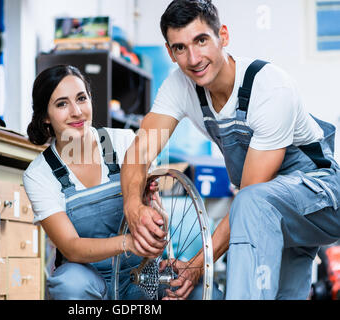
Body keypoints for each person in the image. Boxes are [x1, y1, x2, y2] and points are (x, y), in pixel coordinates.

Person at [121, 0, 340, 300]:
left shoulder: (270, 88)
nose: (194, 58)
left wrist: (198, 266)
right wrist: (133, 207)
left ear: (223, 36)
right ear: (170, 53)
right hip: (274, 208)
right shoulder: (180, 87)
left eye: (201, 40)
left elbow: (251, 195)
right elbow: (138, 152)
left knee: (250, 204)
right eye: (181, 48)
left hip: (322, 197)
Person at [23, 64, 153, 300]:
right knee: (68, 284)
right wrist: (127, 242)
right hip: (91, 282)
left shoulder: (125, 142)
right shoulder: (39, 173)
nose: (76, 111)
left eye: (81, 98)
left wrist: (154, 213)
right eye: (62, 104)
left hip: (142, 274)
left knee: (204, 292)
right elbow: (71, 247)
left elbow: (156, 215)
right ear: (45, 118)